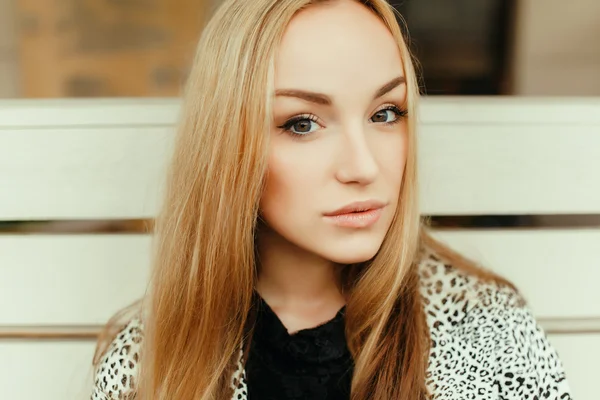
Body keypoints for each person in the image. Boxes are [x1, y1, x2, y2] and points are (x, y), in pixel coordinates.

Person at [91, 0, 571, 399]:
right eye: (302, 123)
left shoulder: (483, 332)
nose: (363, 167)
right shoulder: (146, 358)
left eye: (386, 113)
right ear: (226, 146)